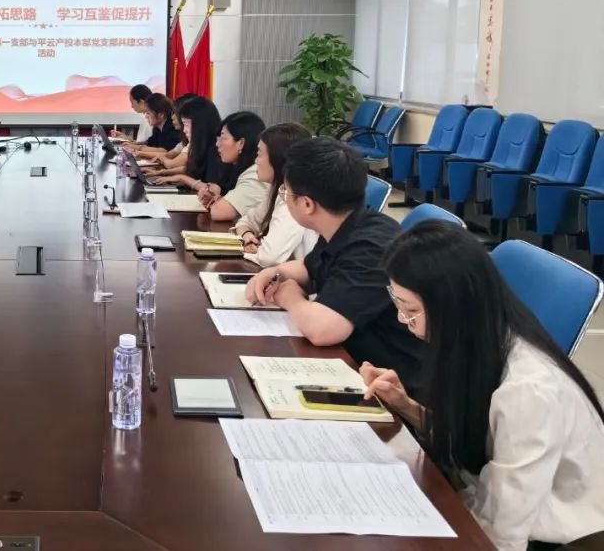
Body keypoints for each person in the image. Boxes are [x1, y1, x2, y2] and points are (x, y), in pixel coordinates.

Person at [363, 222, 604, 550]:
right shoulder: (479, 338)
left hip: (558, 537)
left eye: (411, 310)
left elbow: (503, 535)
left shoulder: (529, 391)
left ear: (452, 304)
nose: (402, 320)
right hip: (492, 499)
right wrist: (405, 405)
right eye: (399, 305)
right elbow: (478, 437)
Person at [245, 137, 422, 391]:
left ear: (307, 204)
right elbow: (310, 267)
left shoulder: (372, 246)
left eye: (286, 193)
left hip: (393, 382)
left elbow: (323, 330)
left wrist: (289, 297)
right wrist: (277, 272)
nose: (284, 197)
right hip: (360, 365)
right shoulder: (346, 223)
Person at [231, 123, 317, 266]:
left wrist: (251, 249)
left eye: (259, 154)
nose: (255, 161)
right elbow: (246, 221)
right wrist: (247, 235)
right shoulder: (278, 189)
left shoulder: (295, 197)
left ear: (278, 159)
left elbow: (269, 257)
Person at [201, 111, 268, 221]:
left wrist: (218, 202)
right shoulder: (234, 168)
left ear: (241, 143)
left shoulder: (255, 173)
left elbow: (220, 212)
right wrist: (216, 196)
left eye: (223, 137)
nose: (217, 144)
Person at [149, 97, 224, 192]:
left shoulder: (217, 150)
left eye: (186, 124)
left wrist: (181, 178)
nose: (184, 130)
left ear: (199, 124)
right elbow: (193, 168)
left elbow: (212, 190)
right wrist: (163, 172)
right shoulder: (202, 145)